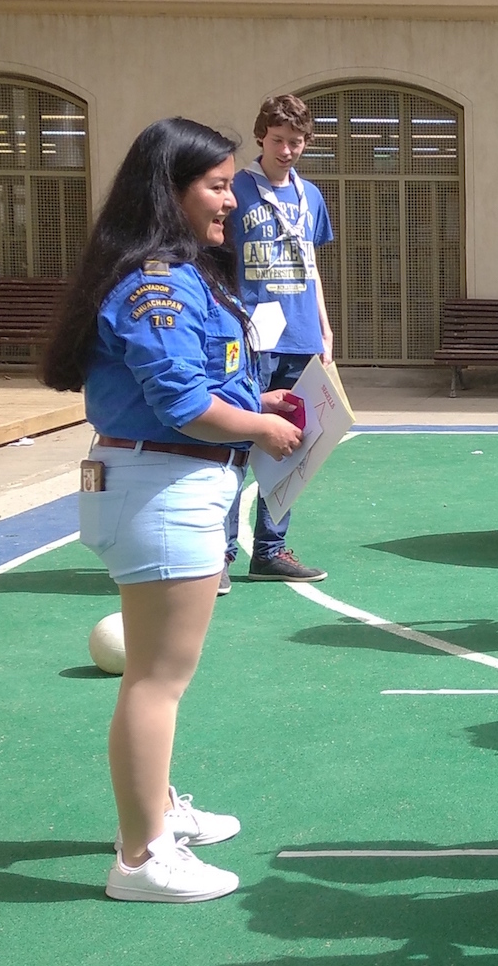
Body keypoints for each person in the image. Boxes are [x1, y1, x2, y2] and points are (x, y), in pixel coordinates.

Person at [42, 119, 304, 904]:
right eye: (217, 186)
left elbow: (192, 383)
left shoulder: (179, 275)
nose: (232, 201)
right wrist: (259, 427)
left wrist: (254, 404)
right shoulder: (154, 284)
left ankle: (153, 812)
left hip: (169, 482)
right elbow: (182, 404)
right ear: (170, 191)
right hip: (161, 486)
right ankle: (141, 857)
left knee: (156, 675)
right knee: (156, 681)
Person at [222, 93, 335, 587]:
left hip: (301, 338)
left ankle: (270, 550)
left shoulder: (310, 196)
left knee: (290, 446)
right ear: (260, 138)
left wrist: (325, 327)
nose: (286, 150)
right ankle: (219, 554)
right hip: (251, 338)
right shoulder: (237, 191)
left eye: (296, 142)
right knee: (236, 441)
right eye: (277, 140)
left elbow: (311, 264)